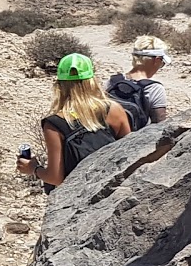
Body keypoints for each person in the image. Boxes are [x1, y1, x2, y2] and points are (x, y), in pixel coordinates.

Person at [18, 54, 131, 191]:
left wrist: (33, 168)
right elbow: (129, 154)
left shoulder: (55, 124)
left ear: (59, 86)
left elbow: (55, 177)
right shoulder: (114, 109)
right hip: (114, 189)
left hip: (79, 197)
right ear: (92, 80)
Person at [106, 36, 170, 128]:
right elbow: (160, 126)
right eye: (162, 63)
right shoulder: (154, 89)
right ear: (157, 60)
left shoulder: (112, 82)